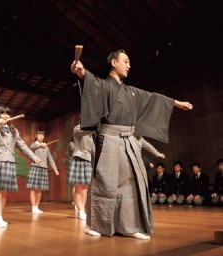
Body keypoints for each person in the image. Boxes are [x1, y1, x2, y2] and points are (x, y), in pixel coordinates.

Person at [70, 48, 193, 239]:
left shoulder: (131, 91)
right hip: (108, 138)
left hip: (128, 141)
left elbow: (152, 97)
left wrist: (176, 103)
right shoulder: (103, 85)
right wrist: (81, 71)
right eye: (125, 61)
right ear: (114, 62)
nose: (129, 65)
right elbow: (90, 81)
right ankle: (95, 224)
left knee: (130, 184)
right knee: (105, 182)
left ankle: (130, 226)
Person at [0, 106, 39, 228]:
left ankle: (0, 216)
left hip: (9, 161)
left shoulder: (14, 131)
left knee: (4, 192)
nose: (5, 116)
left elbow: (22, 145)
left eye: (7, 114)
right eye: (2, 113)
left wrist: (33, 156)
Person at [67, 122, 95, 220]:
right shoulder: (77, 128)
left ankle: (82, 210)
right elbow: (82, 132)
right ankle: (80, 210)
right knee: (78, 188)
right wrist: (95, 128)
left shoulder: (90, 135)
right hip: (78, 159)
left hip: (87, 161)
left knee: (85, 189)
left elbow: (93, 149)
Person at [26, 129, 59, 214]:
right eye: (39, 135)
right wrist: (40, 145)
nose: (41, 136)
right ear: (36, 136)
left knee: (40, 189)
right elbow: (31, 148)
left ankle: (36, 207)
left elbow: (50, 159)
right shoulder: (34, 144)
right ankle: (33, 207)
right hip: (35, 167)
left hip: (44, 168)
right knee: (33, 189)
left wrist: (55, 169)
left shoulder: (46, 147)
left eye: (43, 135)